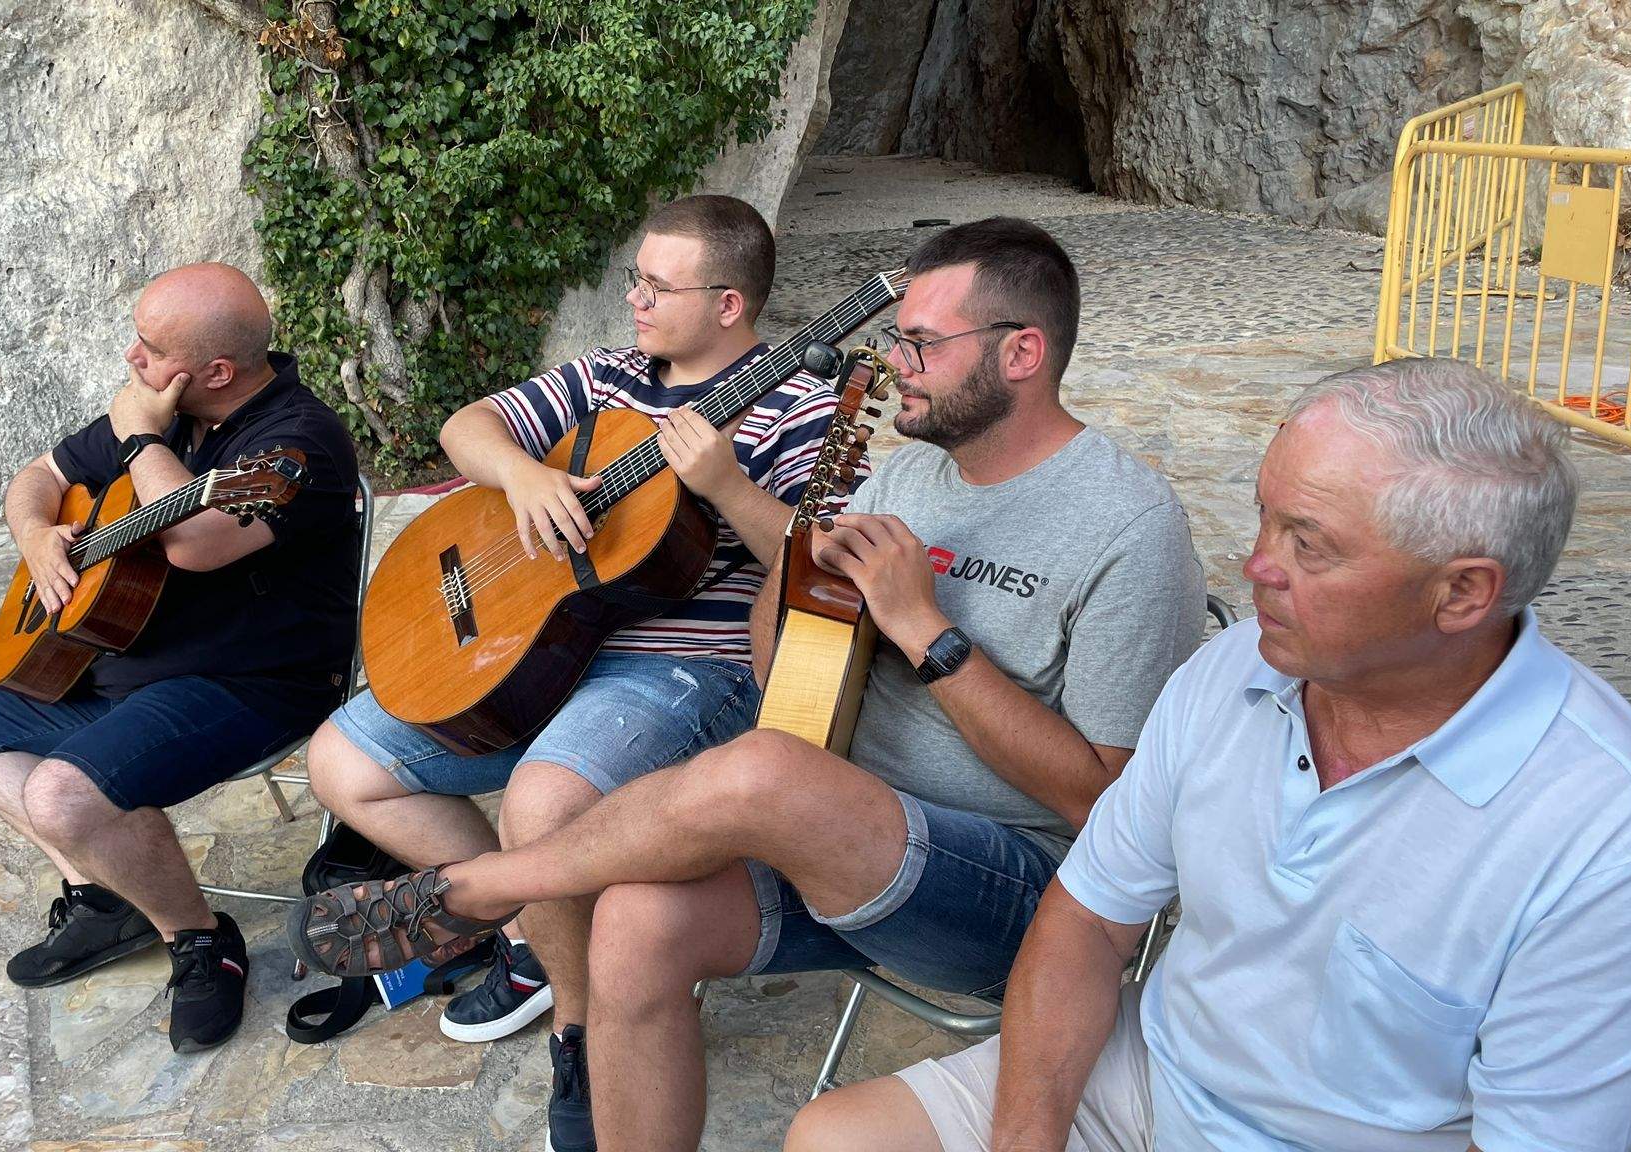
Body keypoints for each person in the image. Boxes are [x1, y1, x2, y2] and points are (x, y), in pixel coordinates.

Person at [291, 217, 1207, 1152]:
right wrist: (803, 566)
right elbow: (779, 671)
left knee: (764, 768)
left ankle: (483, 888)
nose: (897, 362)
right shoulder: (912, 474)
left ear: (1022, 352)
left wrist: (926, 631)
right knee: (634, 925)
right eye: (898, 338)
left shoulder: (1129, 529)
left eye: (921, 342)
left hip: (1010, 891)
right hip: (829, 833)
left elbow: (1106, 801)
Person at [788, 357, 1631, 1152]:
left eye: (1309, 543)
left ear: (1462, 595)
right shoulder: (1233, 670)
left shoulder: (1619, 838)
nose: (1256, 565)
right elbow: (1091, 920)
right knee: (833, 1139)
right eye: (1265, 517)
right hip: (1154, 1077)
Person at [303, 193, 854, 1150]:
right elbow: (468, 426)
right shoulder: (610, 376)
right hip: (542, 643)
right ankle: (528, 931)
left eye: (658, 285)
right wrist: (525, 477)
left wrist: (725, 485)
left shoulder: (801, 405)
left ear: (730, 304)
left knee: (542, 804)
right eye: (637, 277)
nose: (634, 298)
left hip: (691, 672)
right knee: (343, 762)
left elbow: (817, 570)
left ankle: (581, 1026)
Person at [0, 262, 361, 1052]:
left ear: (217, 372)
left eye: (151, 345)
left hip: (250, 682)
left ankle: (201, 940)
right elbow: (39, 477)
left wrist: (138, 438)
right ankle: (105, 897)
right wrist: (35, 537)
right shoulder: (169, 406)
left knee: (62, 798)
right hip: (117, 662)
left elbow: (197, 544)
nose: (132, 356)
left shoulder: (299, 445)